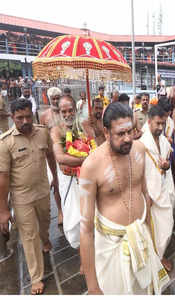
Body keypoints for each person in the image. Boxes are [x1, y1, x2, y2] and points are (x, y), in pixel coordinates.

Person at [79, 102, 169, 295]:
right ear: (106, 131)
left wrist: (150, 242)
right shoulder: (91, 166)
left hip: (140, 236)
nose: (127, 138)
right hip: (111, 243)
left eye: (130, 131)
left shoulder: (139, 150)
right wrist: (92, 285)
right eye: (120, 133)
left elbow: (144, 194)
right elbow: (86, 230)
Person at [0, 99, 59, 294]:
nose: (25, 121)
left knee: (43, 225)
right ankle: (36, 277)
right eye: (20, 118)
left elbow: (51, 156)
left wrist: (56, 179)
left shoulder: (42, 132)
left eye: (27, 116)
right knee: (29, 236)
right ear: (12, 118)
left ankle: (46, 239)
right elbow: (3, 178)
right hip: (22, 197)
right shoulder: (5, 142)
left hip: (42, 192)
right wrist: (3, 209)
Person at [50, 95, 95, 249]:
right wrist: (87, 160)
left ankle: (92, 249)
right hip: (69, 180)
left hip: (87, 179)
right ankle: (82, 253)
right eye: (64, 112)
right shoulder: (56, 131)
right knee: (75, 220)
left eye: (70, 111)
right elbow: (60, 158)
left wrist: (87, 159)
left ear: (76, 110)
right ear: (59, 113)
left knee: (91, 215)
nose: (67, 115)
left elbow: (95, 146)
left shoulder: (84, 126)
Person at [140, 105, 175, 272]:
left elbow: (166, 163)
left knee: (166, 225)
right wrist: (146, 195)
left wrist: (167, 165)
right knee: (156, 228)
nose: (161, 127)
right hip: (151, 195)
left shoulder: (163, 141)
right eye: (157, 123)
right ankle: (157, 258)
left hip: (164, 189)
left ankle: (158, 254)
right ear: (149, 122)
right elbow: (138, 173)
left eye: (163, 124)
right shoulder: (141, 144)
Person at [39, 87, 64, 224]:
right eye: (53, 98)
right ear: (49, 99)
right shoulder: (44, 116)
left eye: (57, 98)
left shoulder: (66, 111)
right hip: (51, 154)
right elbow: (41, 135)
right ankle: (60, 211)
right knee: (56, 182)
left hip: (66, 150)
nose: (55, 100)